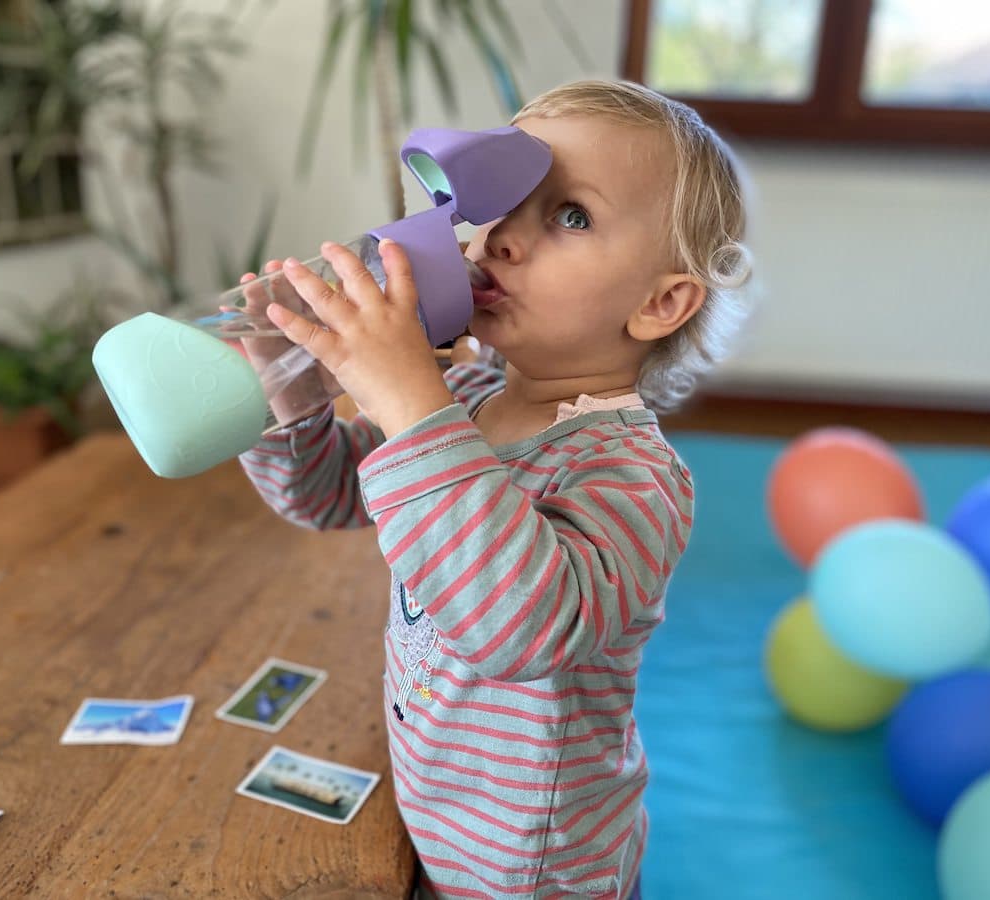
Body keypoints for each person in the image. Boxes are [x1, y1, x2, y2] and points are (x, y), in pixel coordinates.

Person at [239, 78, 752, 899]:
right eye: (503, 203)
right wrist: (292, 397)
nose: (500, 237)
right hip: (438, 809)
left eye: (570, 215)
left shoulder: (632, 475)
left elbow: (520, 628)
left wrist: (410, 403)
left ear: (661, 303)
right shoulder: (468, 400)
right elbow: (330, 493)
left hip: (536, 868)